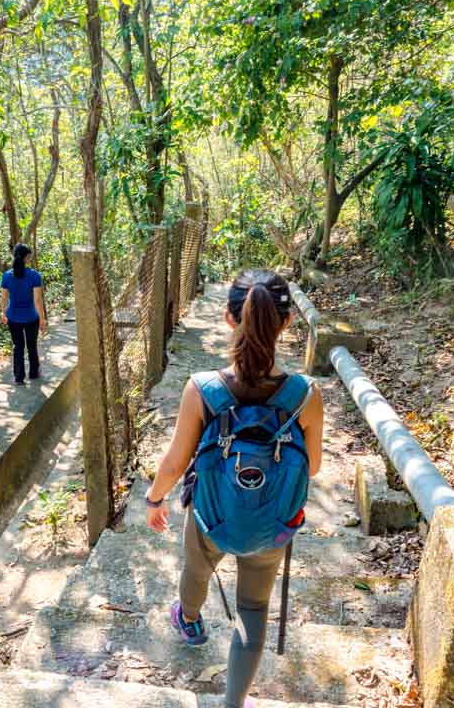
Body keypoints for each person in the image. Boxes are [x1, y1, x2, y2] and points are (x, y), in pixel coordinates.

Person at [143, 270, 324, 708]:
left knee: (196, 571)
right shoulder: (305, 394)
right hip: (272, 525)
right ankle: (233, 703)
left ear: (228, 318)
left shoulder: (202, 390)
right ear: (286, 324)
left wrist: (153, 499)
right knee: (254, 611)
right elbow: (313, 467)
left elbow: (174, 463)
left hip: (211, 516)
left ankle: (188, 619)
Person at [0, 244, 47, 385]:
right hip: (31, 317)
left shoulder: (7, 276)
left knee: (18, 346)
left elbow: (3, 298)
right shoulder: (35, 275)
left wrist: (3, 313)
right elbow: (38, 300)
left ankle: (18, 377)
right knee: (32, 345)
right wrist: (42, 320)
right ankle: (34, 373)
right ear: (27, 257)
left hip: (13, 317)